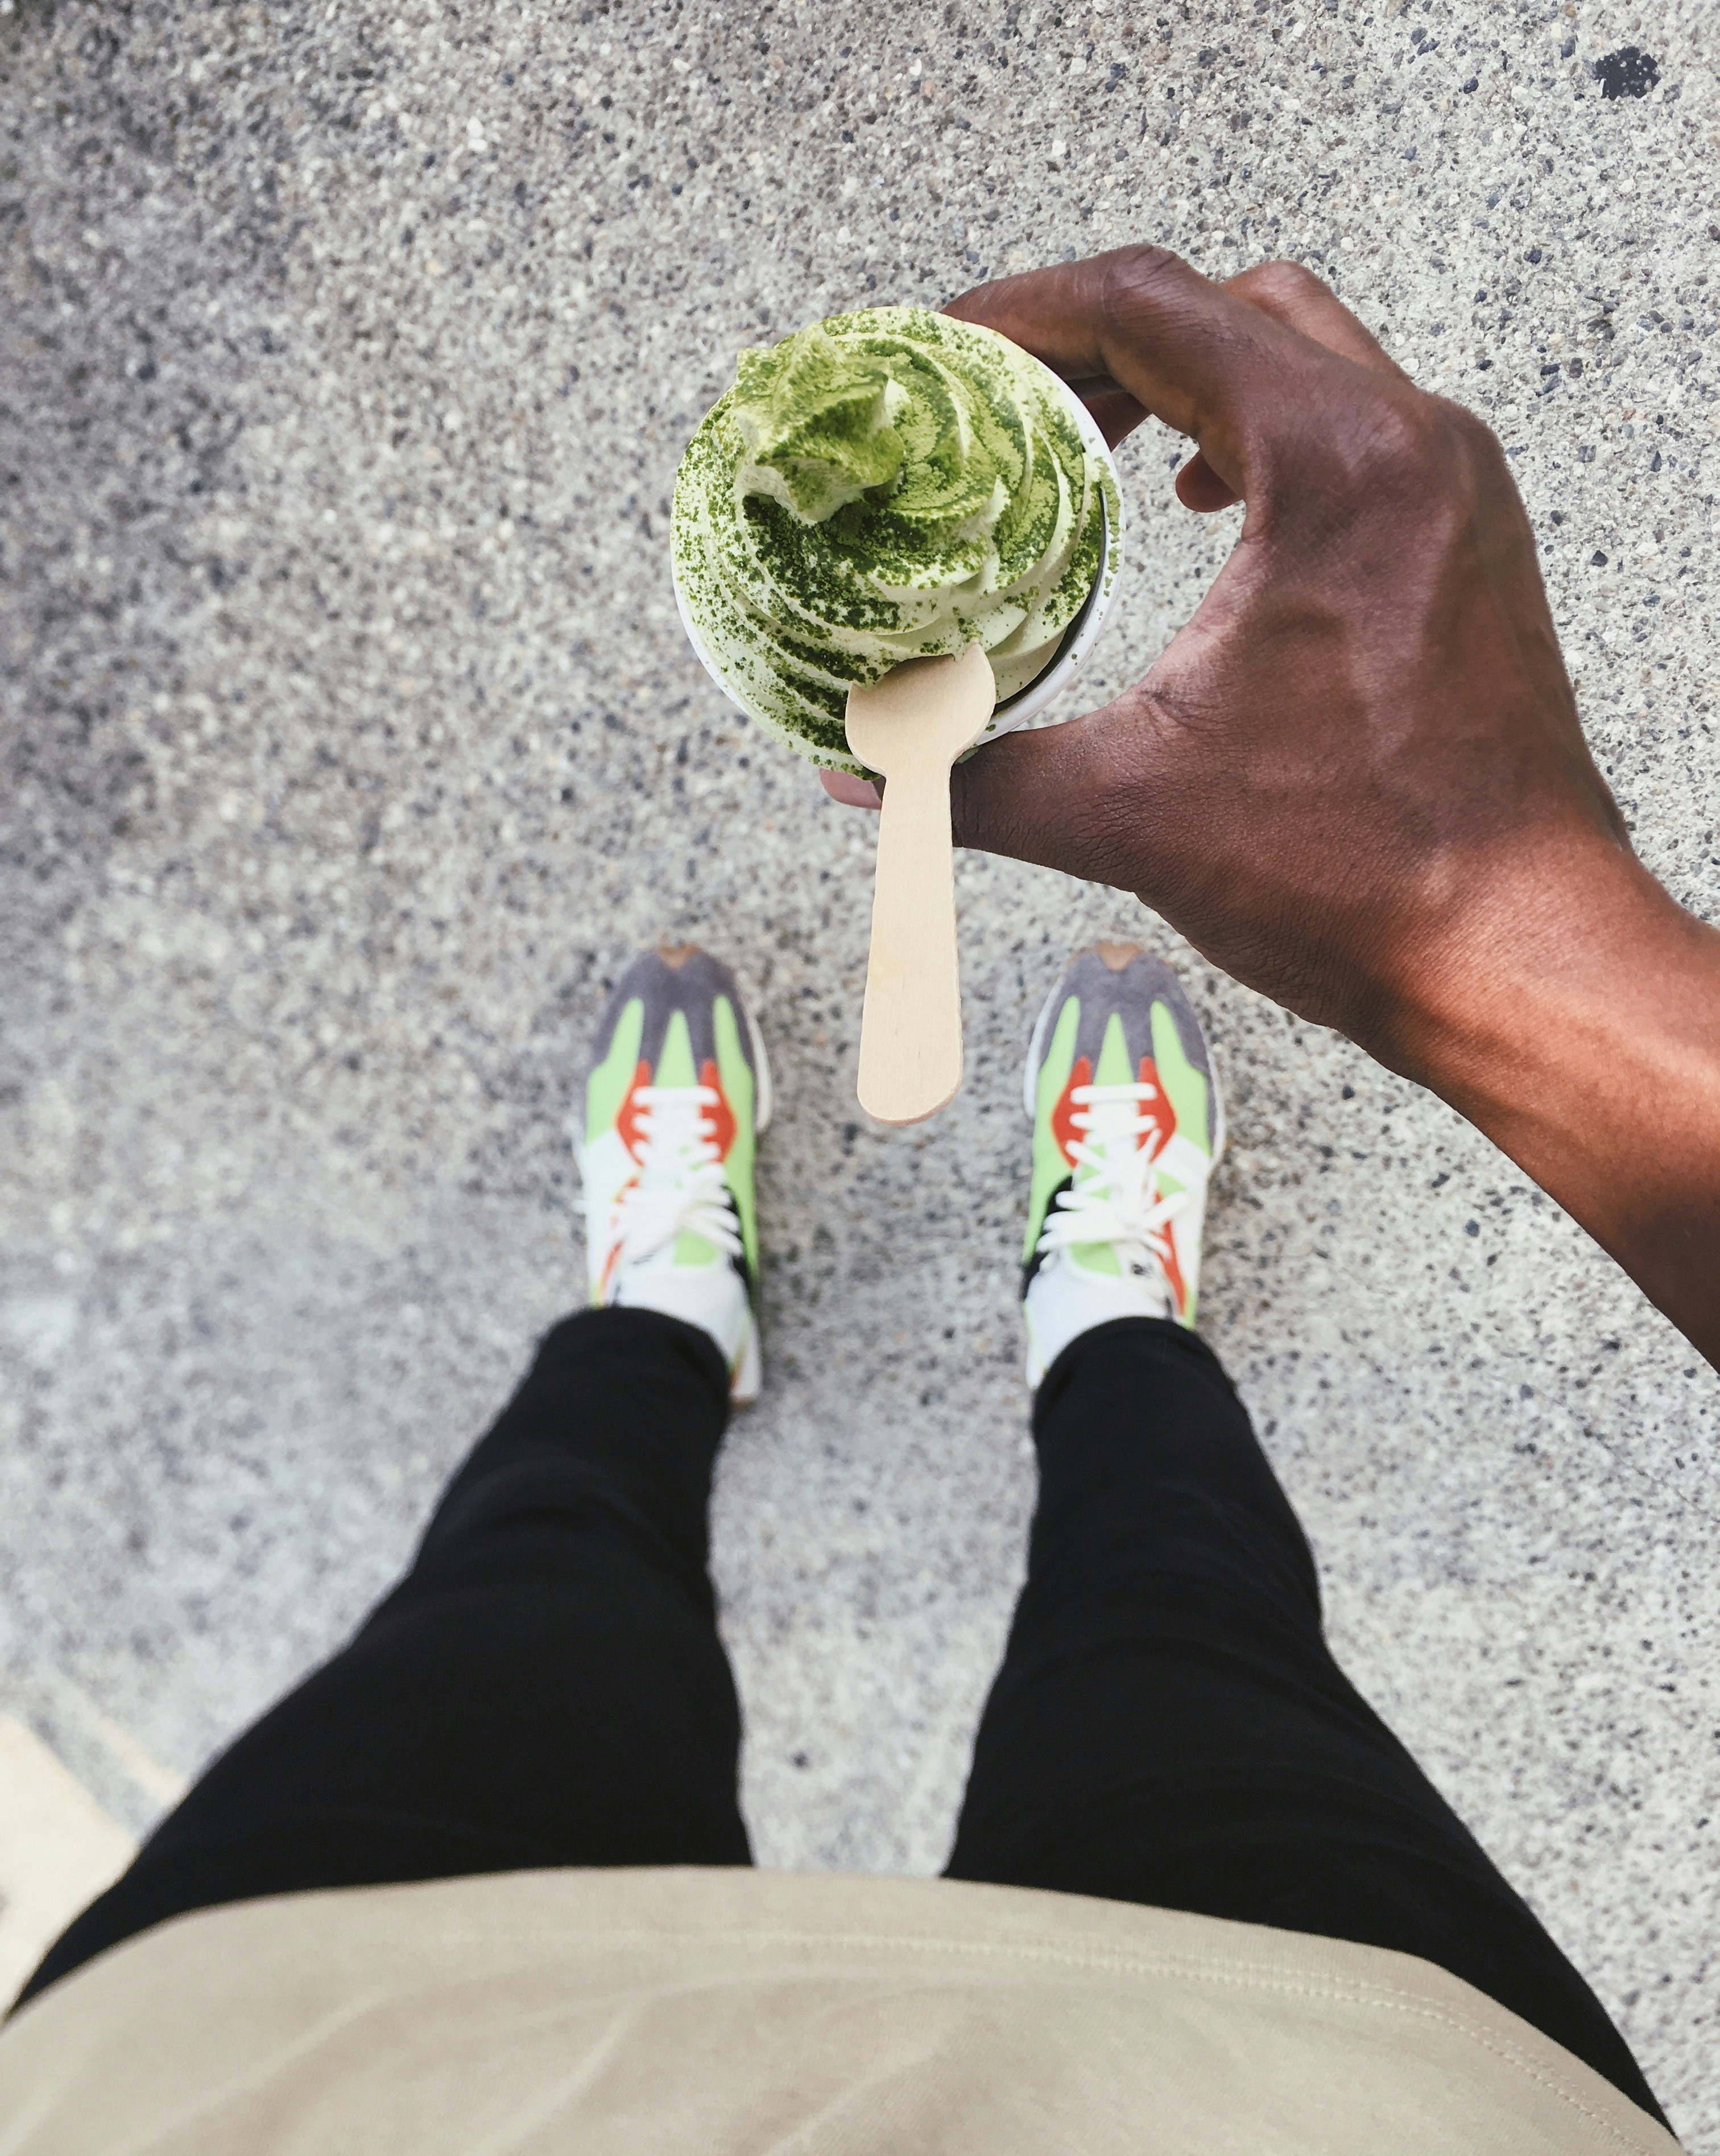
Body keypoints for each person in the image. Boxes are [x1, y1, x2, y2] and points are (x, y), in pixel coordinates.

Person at [3, 247, 1711, 2152]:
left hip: (313, 2068)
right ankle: (1097, 1318)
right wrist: (1506, 936)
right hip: (1304, 2092)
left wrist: (1495, 938)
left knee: (534, 1567)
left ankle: (668, 1313)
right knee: (1184, 1599)